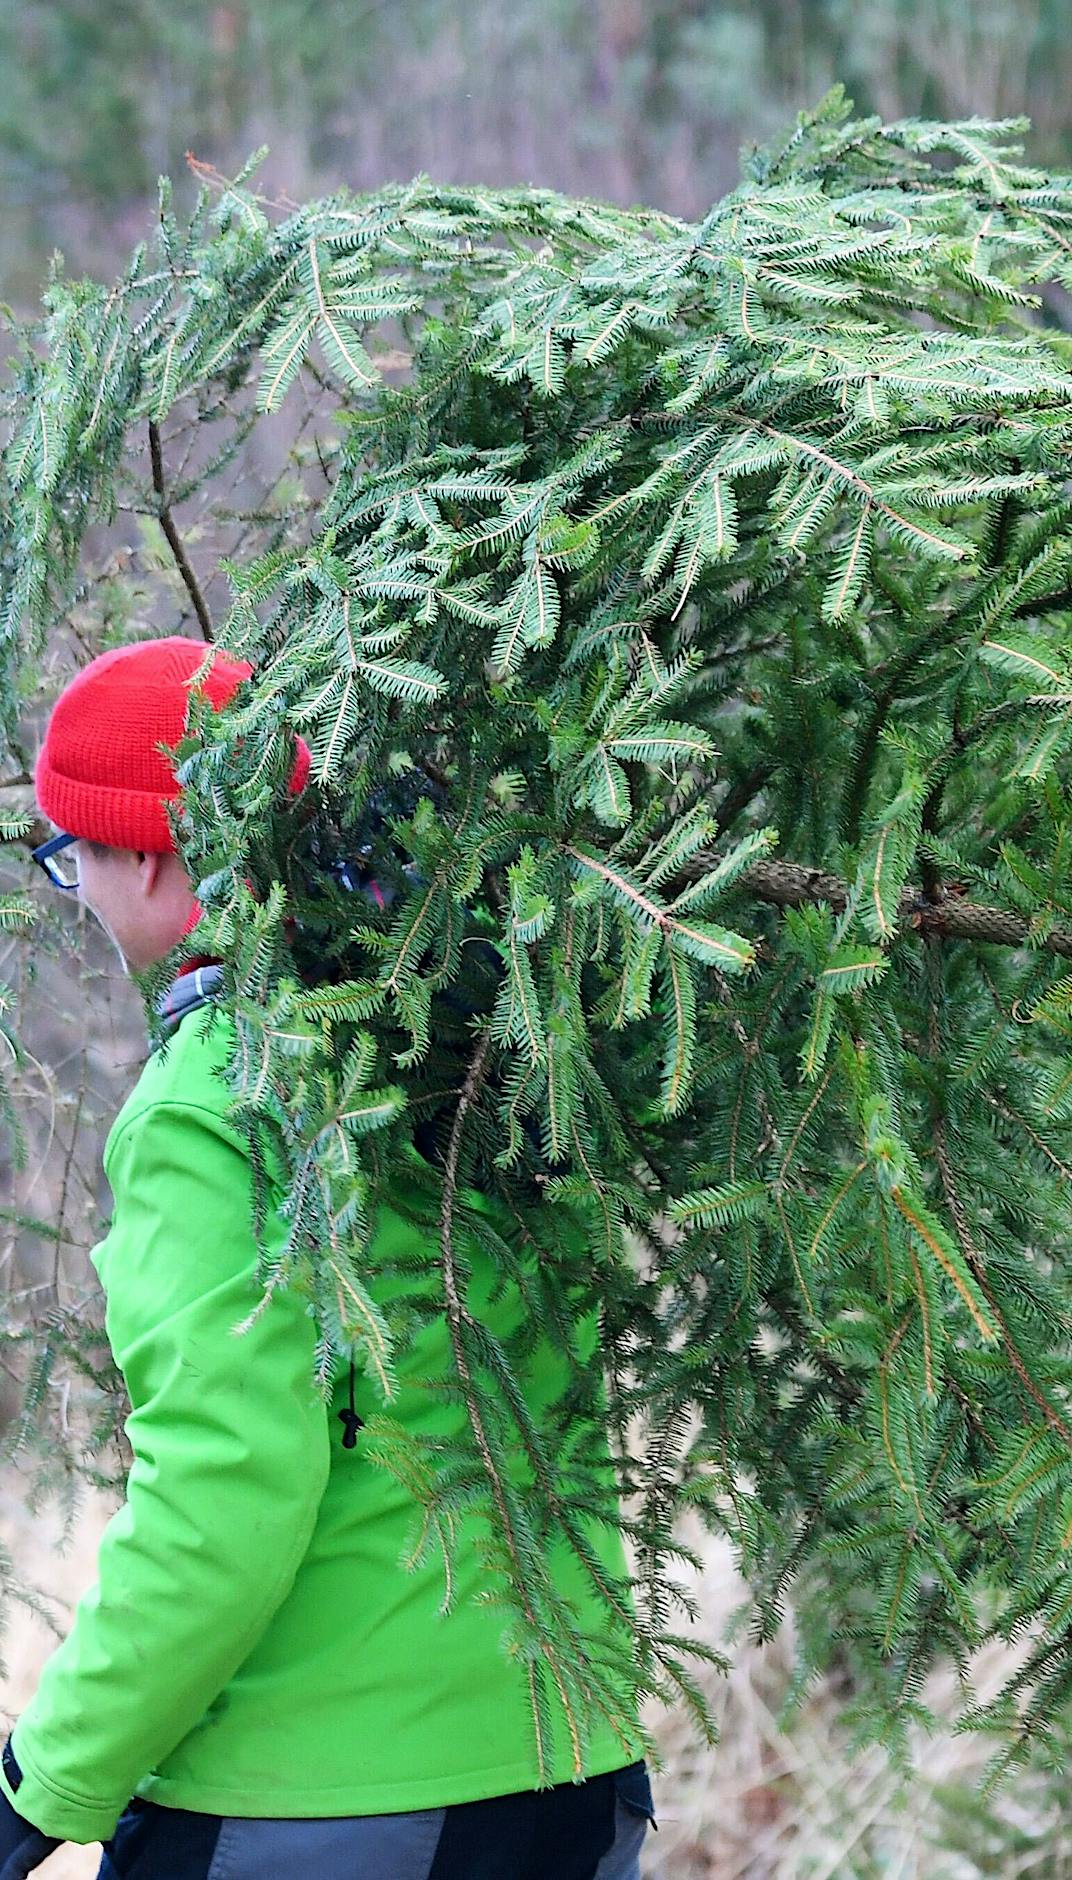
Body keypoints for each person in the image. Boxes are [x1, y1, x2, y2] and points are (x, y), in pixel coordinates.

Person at [0, 638, 654, 1879]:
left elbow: (226, 1497)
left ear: (146, 855)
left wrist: (48, 1781)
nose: (76, 892)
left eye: (72, 855)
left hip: (320, 1803)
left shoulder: (216, 1099)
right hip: (575, 1766)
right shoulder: (479, 1023)